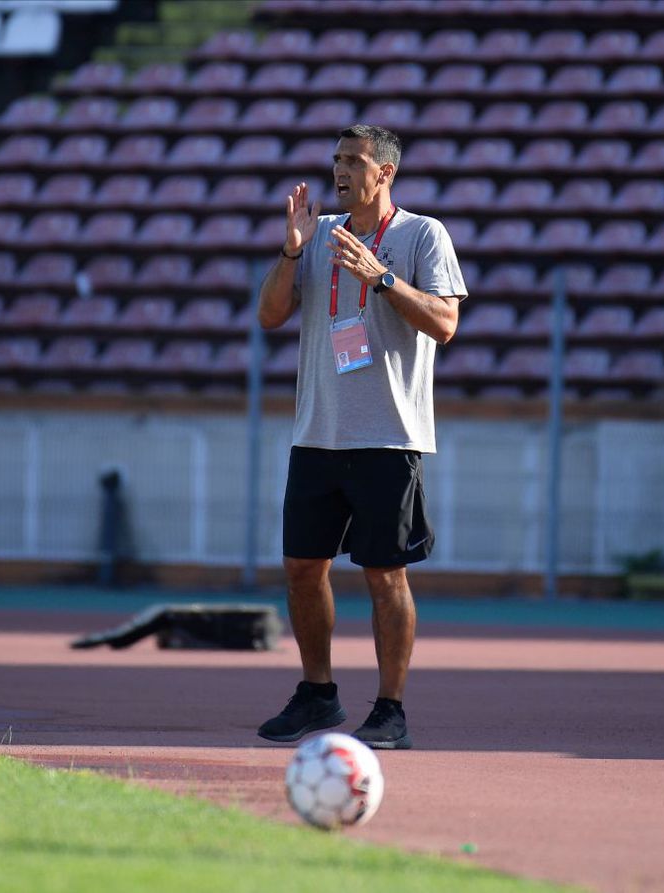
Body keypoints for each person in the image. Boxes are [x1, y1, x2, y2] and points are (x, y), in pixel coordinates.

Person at [254, 124, 468, 749]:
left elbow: (447, 323)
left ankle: (391, 708)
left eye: (354, 161)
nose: (340, 170)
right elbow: (269, 315)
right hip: (318, 431)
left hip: (387, 435)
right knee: (301, 567)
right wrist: (291, 252)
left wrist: (381, 279)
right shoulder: (318, 235)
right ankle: (318, 694)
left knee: (384, 575)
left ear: (385, 173)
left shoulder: (423, 234)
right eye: (336, 160)